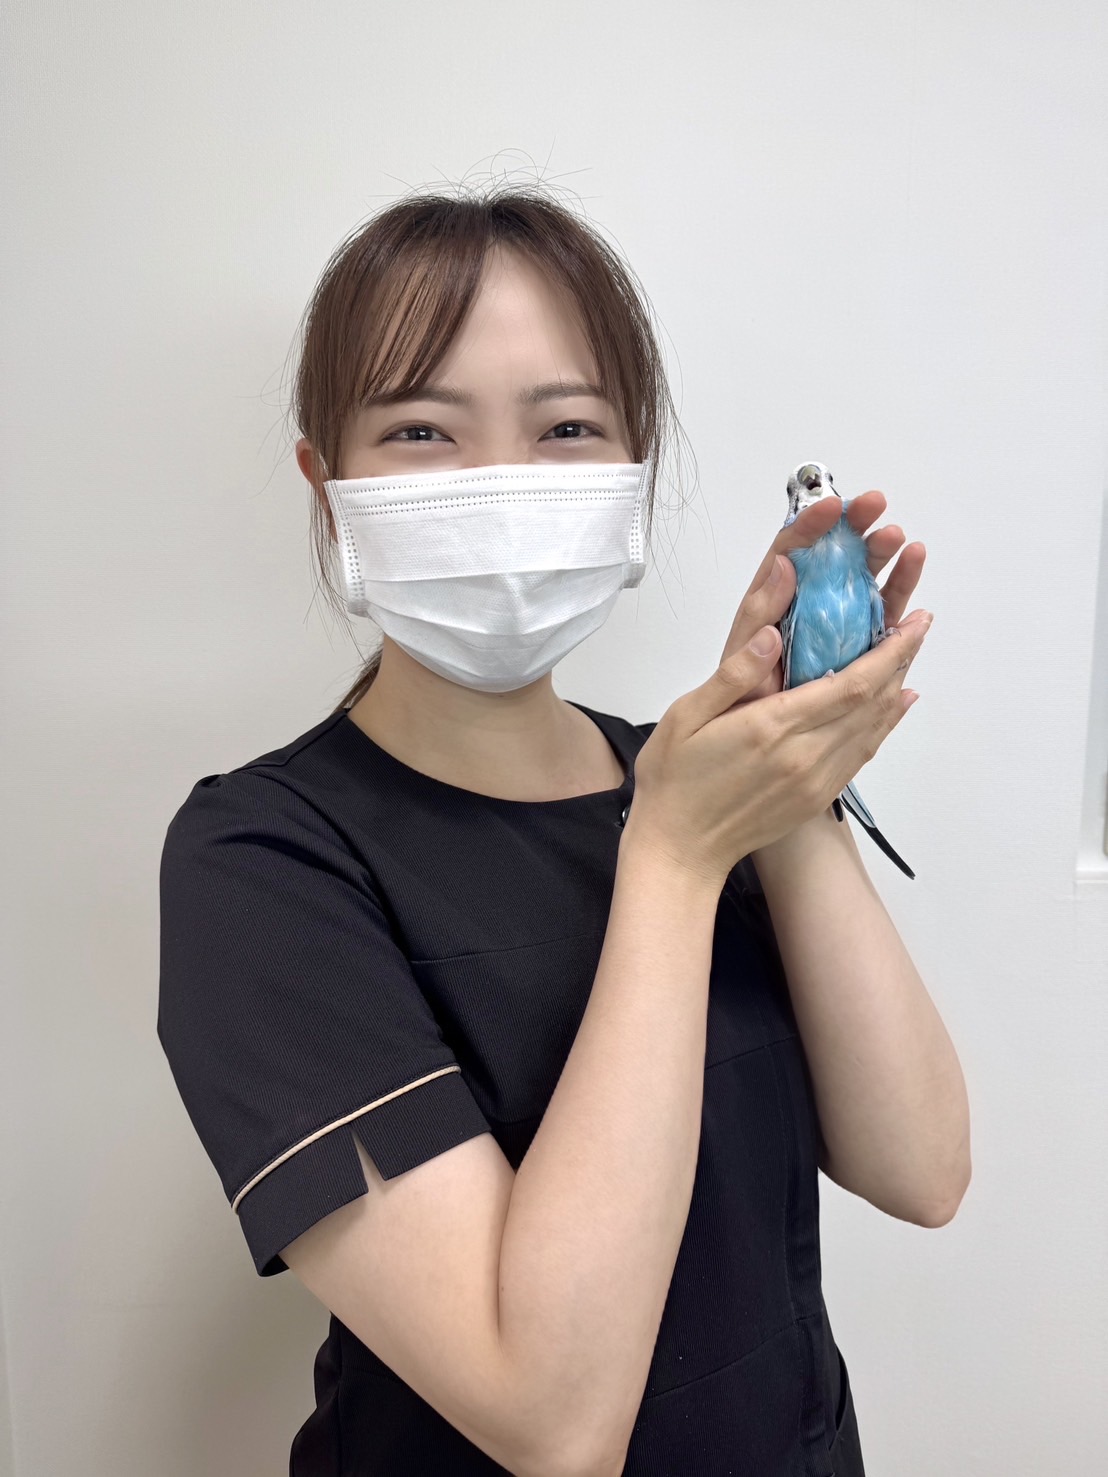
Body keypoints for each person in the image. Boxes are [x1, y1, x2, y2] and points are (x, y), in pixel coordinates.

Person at [157, 184, 971, 1477]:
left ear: (634, 482)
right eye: (421, 429)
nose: (499, 481)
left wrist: (790, 773)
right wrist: (676, 857)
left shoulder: (691, 776)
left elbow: (919, 1166)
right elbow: (553, 1421)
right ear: (330, 486)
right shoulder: (261, 861)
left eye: (568, 427)